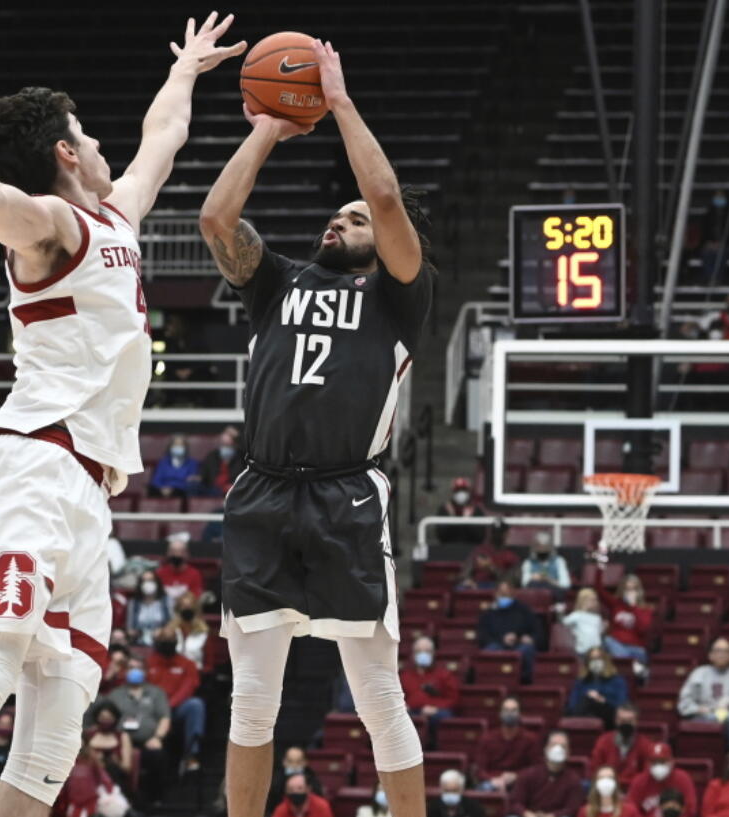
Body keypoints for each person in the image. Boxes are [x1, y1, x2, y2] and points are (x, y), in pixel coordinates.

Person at [200, 38, 435, 817]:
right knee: (252, 698)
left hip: (346, 499)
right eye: (337, 213)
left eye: (354, 218)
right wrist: (267, 125)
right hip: (263, 490)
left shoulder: (401, 294)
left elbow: (390, 200)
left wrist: (337, 103)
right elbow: (215, 217)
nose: (342, 219)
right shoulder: (278, 283)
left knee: (376, 695)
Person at [105, 657, 173, 806]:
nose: (134, 671)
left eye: (138, 667)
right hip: (121, 741)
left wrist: (157, 737)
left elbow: (164, 718)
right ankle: (122, 800)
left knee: (158, 756)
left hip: (148, 741)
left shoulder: (156, 693)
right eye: (130, 667)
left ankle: (156, 799)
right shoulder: (115, 694)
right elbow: (107, 717)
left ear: (145, 671)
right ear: (125, 671)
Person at [145, 625, 205, 772]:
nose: (167, 642)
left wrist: (168, 708)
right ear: (156, 642)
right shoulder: (147, 663)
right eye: (163, 639)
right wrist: (161, 710)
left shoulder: (187, 664)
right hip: (152, 710)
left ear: (176, 641)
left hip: (175, 708)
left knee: (196, 704)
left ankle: (191, 754)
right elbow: (145, 689)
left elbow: (188, 689)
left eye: (170, 639)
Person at [677, 637, 729, 749]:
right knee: (711, 719)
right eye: (718, 651)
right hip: (704, 715)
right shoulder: (699, 674)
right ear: (710, 655)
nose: (722, 654)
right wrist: (699, 709)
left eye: (726, 651)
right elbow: (683, 704)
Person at [508, 731, 586, 817]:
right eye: (553, 745)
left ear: (568, 753)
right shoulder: (528, 774)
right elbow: (515, 802)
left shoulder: (573, 780)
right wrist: (527, 814)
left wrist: (551, 816)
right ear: (545, 749)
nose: (558, 749)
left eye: (563, 746)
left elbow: (572, 809)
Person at [399, 637, 459, 743]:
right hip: (411, 713)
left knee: (443, 716)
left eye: (427, 651)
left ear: (433, 653)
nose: (423, 654)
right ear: (413, 655)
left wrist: (435, 708)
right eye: (419, 651)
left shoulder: (444, 675)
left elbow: (453, 700)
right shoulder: (404, 676)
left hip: (435, 714)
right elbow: (397, 698)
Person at [479, 580, 541, 683]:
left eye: (507, 593)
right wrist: (502, 639)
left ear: (513, 593)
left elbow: (538, 632)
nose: (504, 596)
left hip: (519, 644)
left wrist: (530, 638)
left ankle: (524, 682)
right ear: (496, 594)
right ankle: (492, 681)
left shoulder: (524, 610)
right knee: (490, 650)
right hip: (498, 644)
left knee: (527, 649)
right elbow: (483, 636)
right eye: (501, 593)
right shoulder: (488, 613)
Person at [475, 697, 539, 793]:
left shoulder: (530, 739)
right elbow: (480, 770)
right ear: (500, 713)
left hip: (520, 782)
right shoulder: (488, 738)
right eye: (506, 710)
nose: (510, 713)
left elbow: (535, 768)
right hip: (493, 782)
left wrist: (517, 776)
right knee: (484, 788)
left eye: (513, 710)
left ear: (520, 714)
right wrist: (494, 780)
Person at [593, 573, 651, 675]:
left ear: (639, 592)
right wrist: (600, 568)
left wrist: (634, 607)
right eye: (627, 590)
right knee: (607, 640)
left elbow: (643, 629)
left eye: (633, 590)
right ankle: (633, 667)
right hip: (616, 645)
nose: (630, 593)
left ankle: (629, 665)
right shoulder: (616, 604)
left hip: (635, 649)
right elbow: (599, 590)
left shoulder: (645, 610)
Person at [590, 703, 653, 790]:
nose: (626, 725)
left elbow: (646, 777)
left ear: (637, 722)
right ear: (616, 721)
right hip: (606, 788)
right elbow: (595, 771)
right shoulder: (603, 741)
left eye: (630, 721)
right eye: (622, 721)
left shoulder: (645, 744)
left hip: (634, 790)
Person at [626, 744, 697, 817]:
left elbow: (691, 810)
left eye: (662, 762)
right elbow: (630, 810)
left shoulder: (682, 779)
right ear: (648, 763)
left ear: (671, 761)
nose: (658, 766)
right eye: (654, 762)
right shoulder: (639, 781)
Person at [567, 647, 628, 729]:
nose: (595, 662)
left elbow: (621, 705)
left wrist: (602, 700)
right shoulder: (581, 681)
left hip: (608, 715)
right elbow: (572, 705)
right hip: (584, 714)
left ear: (605, 661)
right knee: (587, 700)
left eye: (598, 658)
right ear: (587, 662)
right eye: (592, 659)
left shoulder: (617, 681)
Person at [83, 701, 134, 794]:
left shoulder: (122, 736)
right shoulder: (88, 735)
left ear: (115, 719)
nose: (106, 721)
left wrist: (116, 762)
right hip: (91, 777)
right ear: (97, 718)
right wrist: (95, 760)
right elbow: (81, 762)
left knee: (111, 768)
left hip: (116, 778)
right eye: (103, 718)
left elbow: (127, 768)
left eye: (109, 719)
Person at [695, 189, 729, 285]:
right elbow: (704, 233)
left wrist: (723, 244)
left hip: (728, 245)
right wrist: (709, 243)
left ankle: (718, 278)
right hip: (711, 245)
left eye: (721, 197)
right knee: (707, 253)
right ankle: (710, 278)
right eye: (717, 197)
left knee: (720, 253)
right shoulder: (708, 215)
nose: (719, 199)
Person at [455, 521, 518, 589]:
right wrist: (467, 580)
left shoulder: (510, 556)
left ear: (506, 534)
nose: (496, 535)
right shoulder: (480, 550)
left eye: (499, 533)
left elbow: (512, 580)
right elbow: (465, 572)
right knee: (460, 588)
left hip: (496, 587)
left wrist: (491, 567)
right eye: (495, 532)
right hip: (476, 585)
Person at [126, 570, 172, 645]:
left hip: (161, 641)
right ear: (140, 584)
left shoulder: (166, 601)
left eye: (151, 580)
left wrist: (162, 631)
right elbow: (130, 628)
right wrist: (136, 632)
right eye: (144, 581)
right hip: (139, 641)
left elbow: (172, 624)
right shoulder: (134, 603)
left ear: (157, 582)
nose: (147, 583)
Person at [155, 533, 204, 600]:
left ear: (187, 554)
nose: (177, 555)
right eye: (173, 551)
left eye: (181, 551)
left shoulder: (194, 574)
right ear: (168, 553)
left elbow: (195, 598)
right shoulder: (159, 573)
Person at [435, 478, 484, 545]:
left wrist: (468, 521)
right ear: (453, 492)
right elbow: (440, 536)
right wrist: (451, 519)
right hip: (449, 548)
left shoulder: (475, 509)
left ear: (468, 491)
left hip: (471, 549)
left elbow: (480, 536)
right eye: (458, 490)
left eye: (463, 490)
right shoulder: (445, 509)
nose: (461, 493)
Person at [195, 430, 243, 497]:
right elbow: (204, 475)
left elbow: (243, 479)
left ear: (235, 445)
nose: (225, 447)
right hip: (213, 488)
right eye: (223, 444)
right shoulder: (212, 456)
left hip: (232, 489)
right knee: (193, 485)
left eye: (228, 445)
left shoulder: (241, 458)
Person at [521, 532, 571, 596]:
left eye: (545, 548)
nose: (542, 550)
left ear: (550, 547)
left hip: (554, 595)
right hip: (534, 595)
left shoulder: (559, 561)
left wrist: (548, 580)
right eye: (539, 547)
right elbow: (524, 584)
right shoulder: (528, 563)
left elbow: (566, 585)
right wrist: (532, 578)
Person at [562, 588, 605, 655]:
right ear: (582, 601)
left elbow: (599, 632)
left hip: (596, 651)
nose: (594, 602)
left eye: (595, 600)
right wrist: (559, 612)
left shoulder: (597, 617)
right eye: (590, 600)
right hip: (582, 650)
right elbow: (564, 622)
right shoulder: (577, 615)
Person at [172, 592, 209, 669]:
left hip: (195, 669)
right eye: (184, 607)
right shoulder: (171, 630)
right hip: (174, 670)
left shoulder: (202, 630)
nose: (186, 611)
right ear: (178, 609)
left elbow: (203, 656)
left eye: (189, 607)